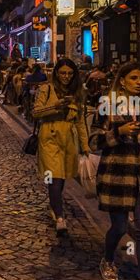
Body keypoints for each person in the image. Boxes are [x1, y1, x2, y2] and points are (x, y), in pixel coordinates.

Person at [89, 62, 140, 280]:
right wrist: (119, 131)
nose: (139, 82)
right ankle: (108, 259)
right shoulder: (106, 105)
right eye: (133, 78)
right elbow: (93, 142)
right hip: (117, 174)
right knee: (119, 226)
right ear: (122, 80)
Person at [32, 58, 89, 236]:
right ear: (56, 73)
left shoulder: (78, 93)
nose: (66, 76)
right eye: (63, 73)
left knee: (62, 176)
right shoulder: (46, 89)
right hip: (49, 137)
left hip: (69, 139)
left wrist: (85, 145)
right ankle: (60, 217)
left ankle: (54, 204)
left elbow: (80, 122)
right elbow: (36, 112)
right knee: (54, 177)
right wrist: (55, 106)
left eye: (70, 73)